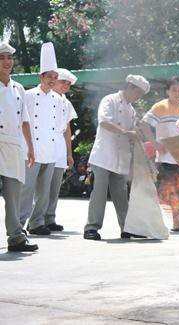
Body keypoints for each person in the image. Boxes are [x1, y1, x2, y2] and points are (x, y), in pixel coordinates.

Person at [83, 75, 150, 240]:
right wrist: (126, 132)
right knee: (99, 192)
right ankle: (91, 228)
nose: (138, 97)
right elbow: (104, 122)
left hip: (121, 158)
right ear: (130, 87)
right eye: (138, 93)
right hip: (104, 155)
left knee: (121, 195)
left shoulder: (131, 109)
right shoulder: (109, 100)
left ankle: (127, 228)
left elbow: (132, 132)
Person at [140, 76, 179, 232]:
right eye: (174, 90)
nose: (177, 93)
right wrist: (155, 143)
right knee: (169, 192)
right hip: (166, 158)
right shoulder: (160, 107)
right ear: (167, 91)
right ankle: (172, 223)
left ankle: (177, 223)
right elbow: (144, 124)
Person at [19, 42, 61, 236]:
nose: (53, 80)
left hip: (50, 150)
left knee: (44, 193)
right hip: (31, 150)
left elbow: (59, 126)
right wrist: (27, 148)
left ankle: (36, 223)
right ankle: (18, 225)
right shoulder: (27, 95)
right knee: (26, 190)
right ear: (41, 77)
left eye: (55, 77)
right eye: (49, 76)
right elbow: (22, 122)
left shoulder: (58, 100)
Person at [0, 41, 38, 251]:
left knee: (13, 193)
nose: (6, 62)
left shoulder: (18, 88)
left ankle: (16, 237)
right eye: (1, 58)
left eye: (9, 58)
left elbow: (24, 120)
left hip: (14, 145)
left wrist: (30, 148)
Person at [44, 68, 78, 231]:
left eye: (68, 83)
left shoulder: (66, 102)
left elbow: (67, 129)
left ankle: (50, 218)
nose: (66, 85)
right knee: (42, 185)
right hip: (43, 144)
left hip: (59, 146)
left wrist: (69, 153)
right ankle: (38, 218)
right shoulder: (44, 97)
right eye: (63, 81)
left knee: (55, 184)